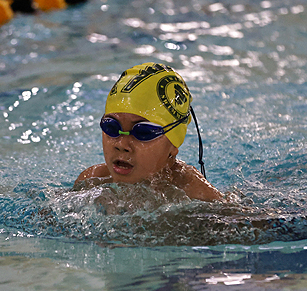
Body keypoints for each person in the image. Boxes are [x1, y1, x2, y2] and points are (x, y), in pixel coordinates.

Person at [76, 62, 223, 202]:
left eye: (143, 132)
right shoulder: (92, 182)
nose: (122, 144)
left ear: (174, 143)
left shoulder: (199, 196)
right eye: (111, 127)